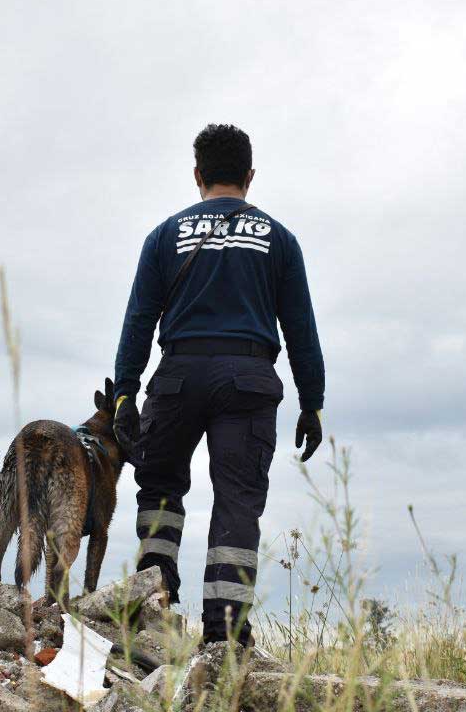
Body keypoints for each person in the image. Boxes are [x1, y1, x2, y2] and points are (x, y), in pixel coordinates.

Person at [112, 123, 325, 647]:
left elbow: (139, 319)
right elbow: (301, 328)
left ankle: (153, 605)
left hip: (178, 376)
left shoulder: (165, 236)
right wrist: (312, 403)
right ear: (250, 176)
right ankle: (226, 633)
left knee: (160, 486)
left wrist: (123, 391)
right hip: (249, 381)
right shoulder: (280, 240)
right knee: (237, 501)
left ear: (198, 175)